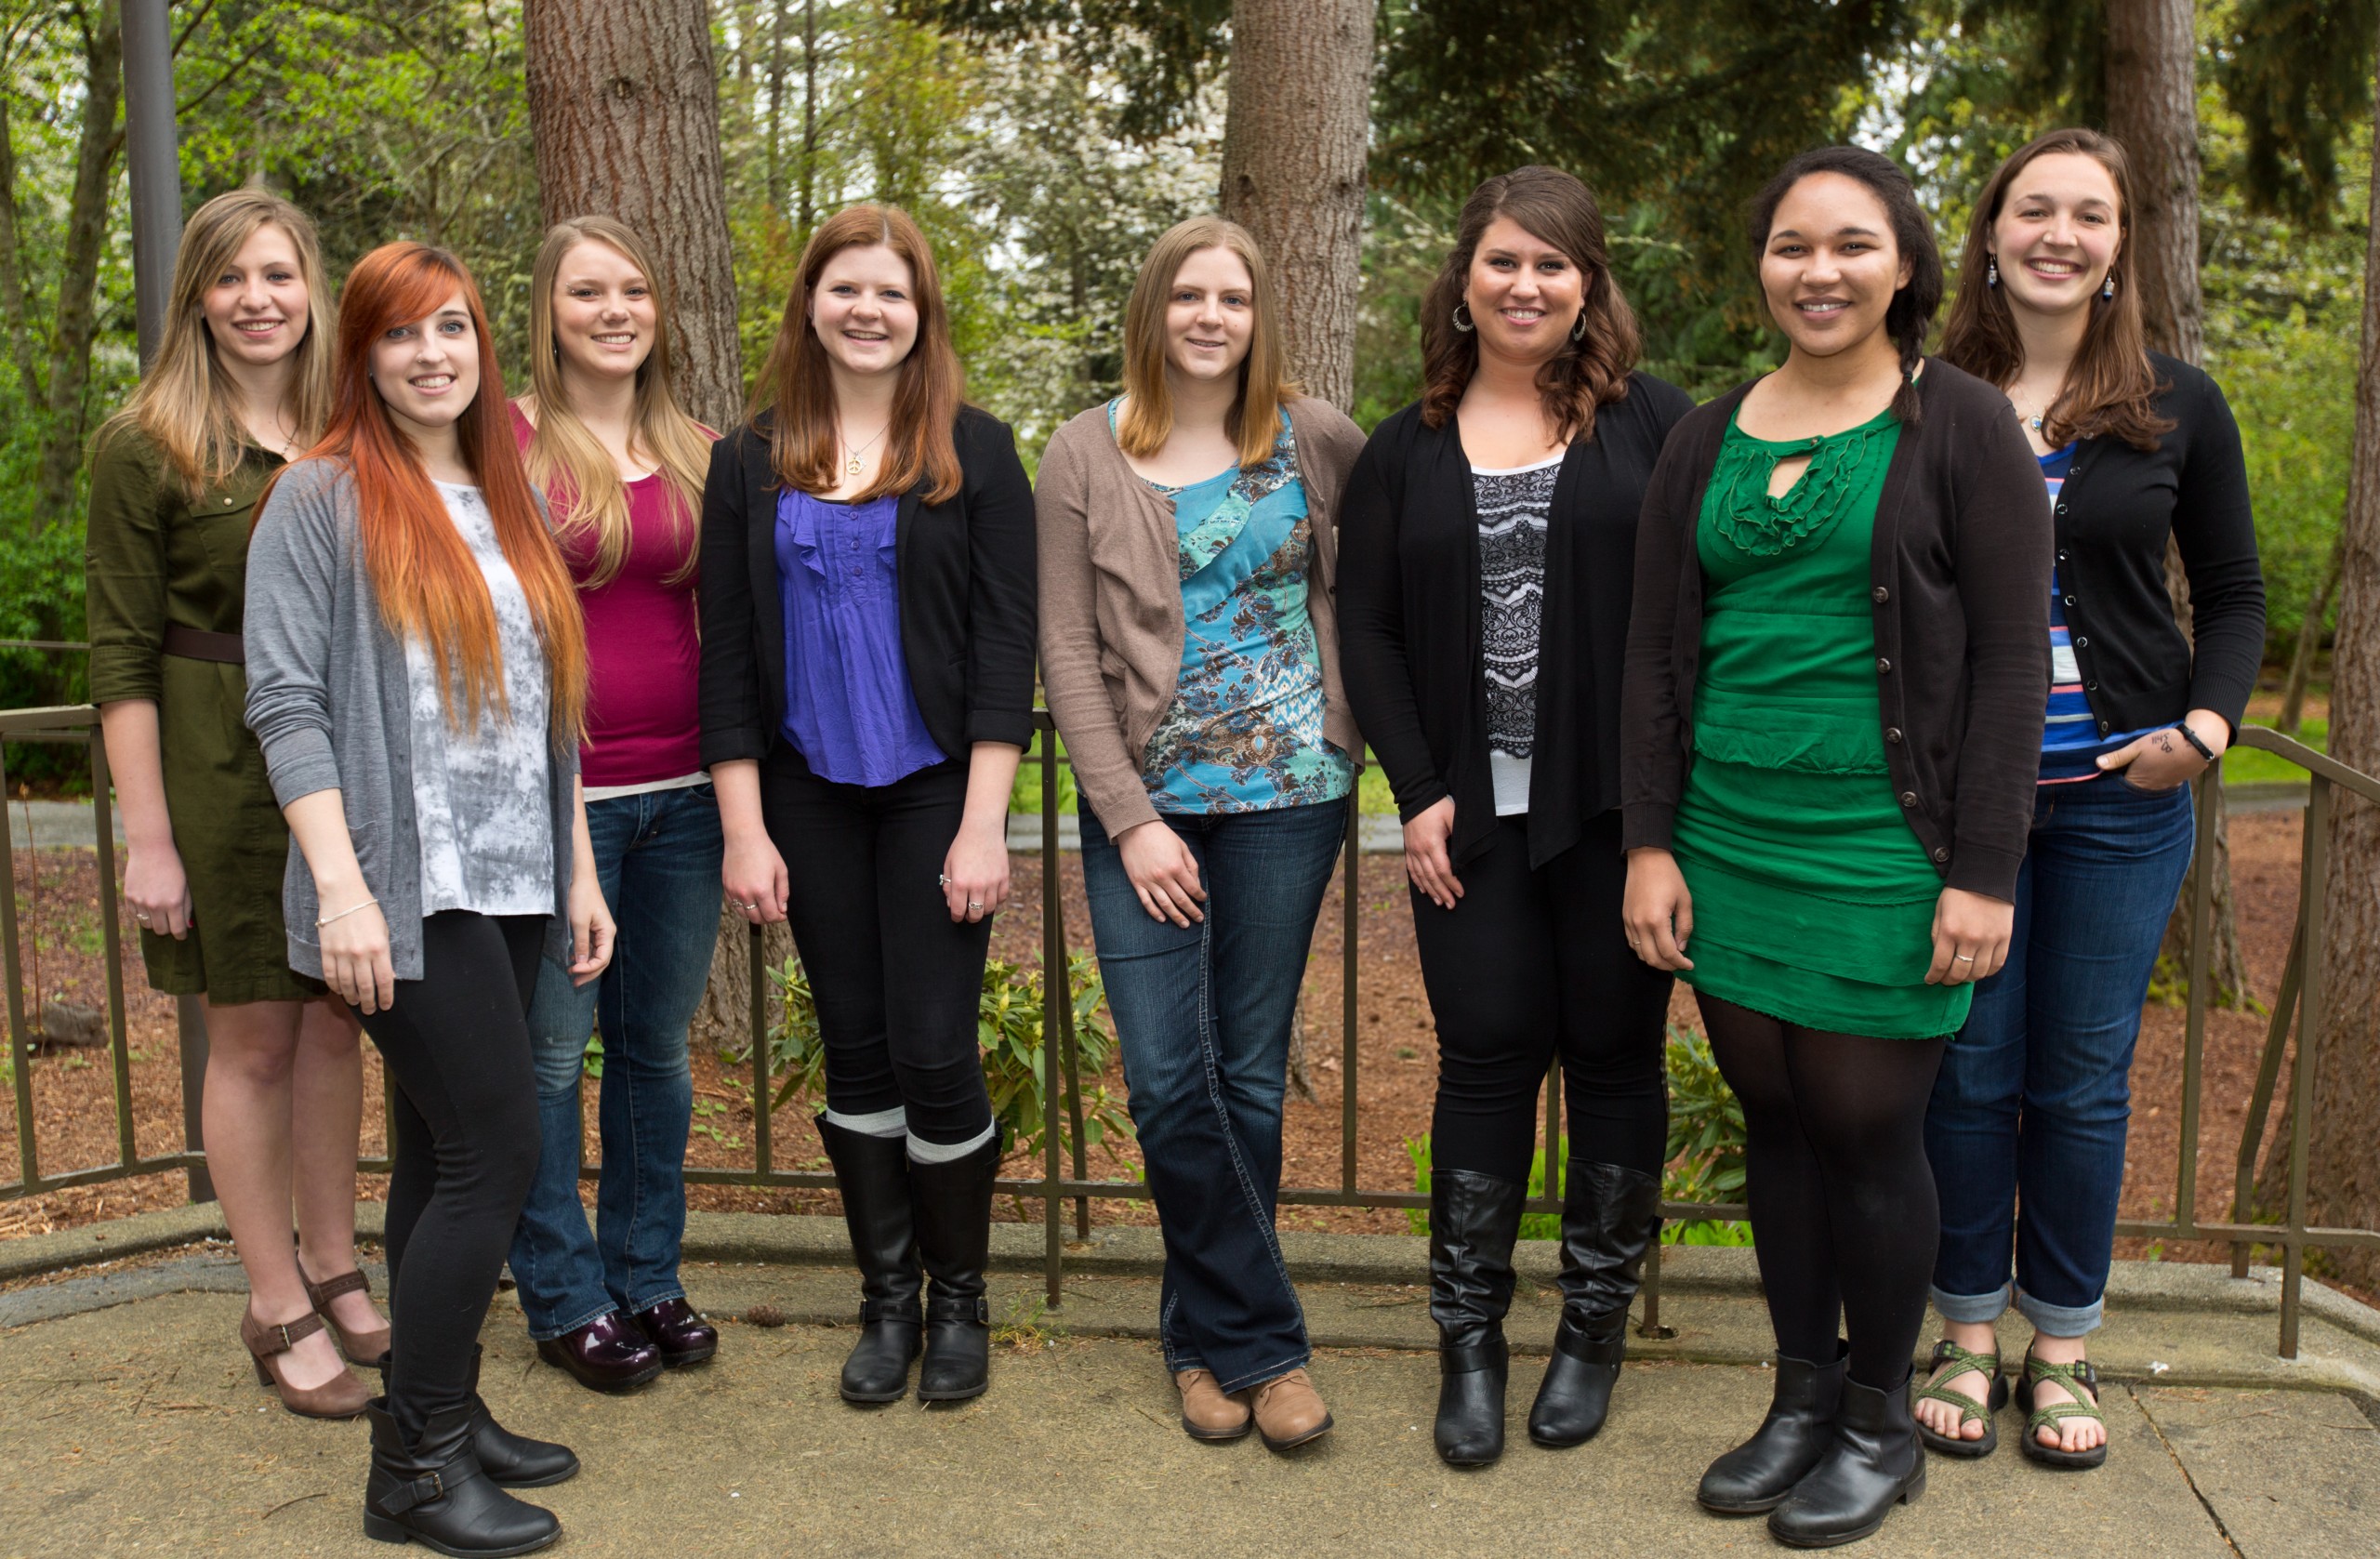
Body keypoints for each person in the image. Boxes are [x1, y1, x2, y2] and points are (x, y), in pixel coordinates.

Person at [1620, 146, 2049, 1547]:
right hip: (1731, 840)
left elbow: (2007, 668)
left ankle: (1879, 1418)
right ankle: (1800, 1400)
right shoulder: (1704, 434)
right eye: (1793, 245)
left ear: (1908, 264)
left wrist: (1983, 868)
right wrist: (1652, 843)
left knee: (1869, 1126)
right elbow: (1653, 659)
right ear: (1763, 267)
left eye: (1853, 245)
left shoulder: (1966, 427)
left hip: (1888, 845)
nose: (1820, 271)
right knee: (1778, 1123)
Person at [245, 240, 613, 1557]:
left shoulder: (501, 493)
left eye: (451, 328)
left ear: (479, 346)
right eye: (401, 334)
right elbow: (285, 700)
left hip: (512, 880)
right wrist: (340, 891)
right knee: (495, 1155)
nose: (430, 354)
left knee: (436, 1155)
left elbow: (548, 708)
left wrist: (574, 867)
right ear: (362, 352)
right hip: (401, 891)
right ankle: (412, 1471)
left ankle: (438, 1405)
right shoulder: (321, 495)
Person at [1917, 128, 2265, 1471]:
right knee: (1971, 1068)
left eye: (2090, 215)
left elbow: (2231, 592)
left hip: (2123, 802)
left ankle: (2060, 1342)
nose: (2060, 233)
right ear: (1993, 233)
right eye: (2034, 209)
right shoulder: (1925, 397)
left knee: (2078, 1081)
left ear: (2122, 244)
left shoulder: (2179, 402)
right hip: (1964, 811)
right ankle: (1963, 1331)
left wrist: (2208, 725)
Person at [1335, 166, 1692, 1468]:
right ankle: (1469, 1341)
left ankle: (1591, 1331)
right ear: (1464, 281)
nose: (1525, 285)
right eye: (1501, 262)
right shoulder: (1405, 445)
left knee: (1612, 1057)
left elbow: (1699, 619)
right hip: (1465, 827)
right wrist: (1416, 786)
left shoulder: (1658, 424)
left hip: (1614, 819)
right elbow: (1366, 627)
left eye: (1552, 264)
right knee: (1485, 1056)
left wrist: (1665, 813)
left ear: (1588, 283)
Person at [1038, 216, 1365, 1452]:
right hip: (1148, 810)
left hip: (1294, 797)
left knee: (1248, 1074)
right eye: (1190, 294)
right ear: (1155, 309)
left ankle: (1204, 1344)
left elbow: (1371, 588)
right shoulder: (1082, 451)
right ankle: (1269, 1342)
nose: (1212, 316)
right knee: (1170, 1077)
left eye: (1233, 296)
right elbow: (1066, 650)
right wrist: (1129, 820)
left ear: (1258, 314)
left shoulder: (1318, 436)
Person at [701, 205, 1036, 1408]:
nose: (867, 311)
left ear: (921, 314)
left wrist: (984, 822)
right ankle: (884, 1300)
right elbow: (728, 655)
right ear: (811, 304)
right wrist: (744, 826)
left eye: (891, 293)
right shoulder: (748, 456)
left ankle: (960, 1301)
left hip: (938, 793)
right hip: (806, 796)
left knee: (937, 1052)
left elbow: (1006, 651)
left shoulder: (979, 452)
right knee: (855, 1055)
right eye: (846, 288)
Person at [85, 190, 385, 1420]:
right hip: (218, 764)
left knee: (335, 1025)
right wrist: (149, 838)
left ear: (309, 290)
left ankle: (333, 1255)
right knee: (255, 1034)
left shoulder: (346, 430)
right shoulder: (145, 444)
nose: (257, 297)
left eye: (278, 274)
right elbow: (119, 654)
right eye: (230, 278)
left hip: (340, 752)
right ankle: (273, 1298)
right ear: (195, 298)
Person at [507, 215, 724, 1392]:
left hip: (686, 795)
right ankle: (564, 1292)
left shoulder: (698, 447)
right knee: (551, 1058)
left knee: (656, 1052)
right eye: (587, 291)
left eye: (633, 289)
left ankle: (648, 1276)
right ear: (549, 311)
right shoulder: (504, 443)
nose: (614, 311)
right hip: (562, 799)